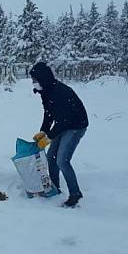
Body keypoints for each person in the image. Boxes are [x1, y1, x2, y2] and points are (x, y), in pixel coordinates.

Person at [30, 62, 88, 207]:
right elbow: (49, 113)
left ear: (43, 79)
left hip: (75, 126)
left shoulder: (60, 92)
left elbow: (64, 120)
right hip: (63, 125)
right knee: (51, 157)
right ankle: (54, 188)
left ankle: (75, 194)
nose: (33, 83)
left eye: (35, 80)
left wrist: (49, 138)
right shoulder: (46, 90)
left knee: (62, 160)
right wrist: (43, 131)